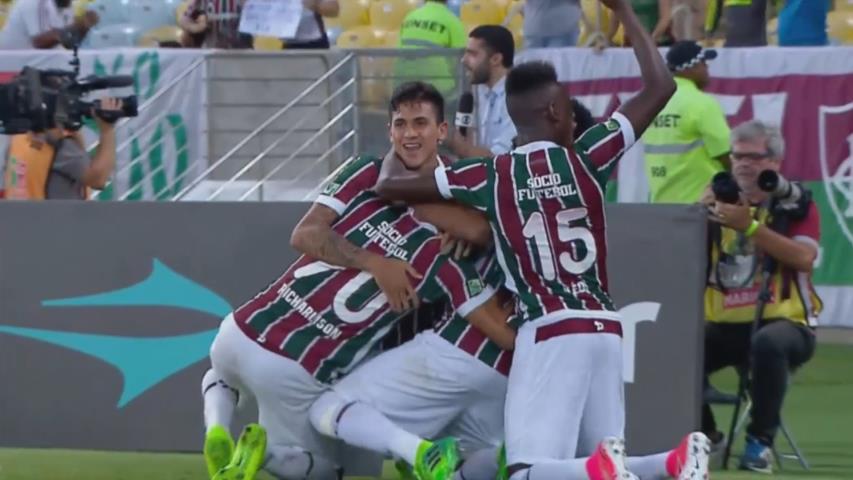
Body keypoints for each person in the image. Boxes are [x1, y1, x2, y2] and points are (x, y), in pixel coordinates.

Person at [374, 0, 708, 478]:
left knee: (528, 470)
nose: (575, 118)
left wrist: (400, 139)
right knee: (601, 466)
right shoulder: (591, 154)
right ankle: (670, 462)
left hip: (548, 329)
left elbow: (391, 187)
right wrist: (625, 14)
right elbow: (661, 85)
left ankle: (609, 467)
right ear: (555, 111)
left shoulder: (492, 174)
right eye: (571, 109)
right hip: (604, 326)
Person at [200, 81, 511, 480]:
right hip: (342, 351)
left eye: (420, 123)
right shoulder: (368, 173)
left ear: (442, 130)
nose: (410, 133)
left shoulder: (463, 187)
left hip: (262, 331)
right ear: (389, 131)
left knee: (224, 373)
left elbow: (487, 228)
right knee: (346, 462)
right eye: (401, 124)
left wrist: (455, 222)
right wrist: (376, 264)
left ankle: (220, 428)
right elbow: (304, 234)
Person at [702, 120, 821, 474]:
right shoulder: (718, 202)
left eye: (753, 157)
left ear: (775, 161)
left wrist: (750, 227)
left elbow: (803, 258)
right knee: (674, 349)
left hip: (789, 323)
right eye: (737, 156)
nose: (742, 164)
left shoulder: (794, 205)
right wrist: (696, 212)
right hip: (726, 323)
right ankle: (708, 437)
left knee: (769, 342)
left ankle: (760, 443)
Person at [642, 40, 730, 203]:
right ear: (690, 68)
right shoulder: (701, 103)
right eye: (703, 63)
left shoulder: (653, 102)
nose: (707, 69)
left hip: (660, 203)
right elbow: (725, 153)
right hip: (699, 204)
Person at [3, 98, 123, 200]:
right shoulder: (61, 145)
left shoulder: (19, 138)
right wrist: (107, 129)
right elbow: (98, 179)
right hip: (58, 224)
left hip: (20, 222)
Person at [446, 25, 516, 159]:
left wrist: (460, 146)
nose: (463, 60)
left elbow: (502, 157)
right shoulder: (475, 93)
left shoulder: (517, 97)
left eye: (472, 54)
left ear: (496, 59)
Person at [395, 0, 467, 95]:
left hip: (402, 86)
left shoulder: (409, 17)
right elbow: (462, 60)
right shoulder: (452, 21)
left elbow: (398, 51)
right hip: (437, 90)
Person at [0, 0, 98, 50]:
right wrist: (77, 26)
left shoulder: (66, 6)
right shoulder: (35, 2)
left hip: (34, 66)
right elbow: (39, 43)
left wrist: (84, 27)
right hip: (11, 68)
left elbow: (68, 43)